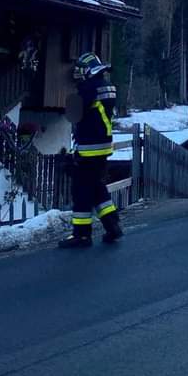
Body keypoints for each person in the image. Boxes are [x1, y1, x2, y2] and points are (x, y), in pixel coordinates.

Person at [58, 52, 124, 247]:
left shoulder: (88, 89)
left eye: (80, 71)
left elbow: (74, 113)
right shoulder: (106, 86)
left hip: (88, 148)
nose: (78, 75)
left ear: (87, 70)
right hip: (103, 147)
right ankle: (112, 224)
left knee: (80, 190)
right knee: (96, 187)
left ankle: (81, 234)